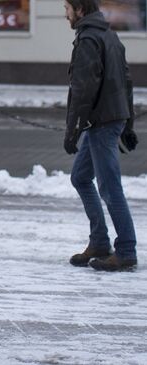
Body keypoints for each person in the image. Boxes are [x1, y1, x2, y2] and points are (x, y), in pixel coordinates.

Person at [63, 0, 139, 272]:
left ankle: (126, 250)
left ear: (80, 9)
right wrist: (128, 123)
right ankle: (99, 242)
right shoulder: (109, 34)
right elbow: (126, 81)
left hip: (102, 122)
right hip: (110, 119)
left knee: (109, 186)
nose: (65, 14)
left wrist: (72, 130)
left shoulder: (88, 39)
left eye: (67, 8)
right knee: (81, 177)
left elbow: (82, 90)